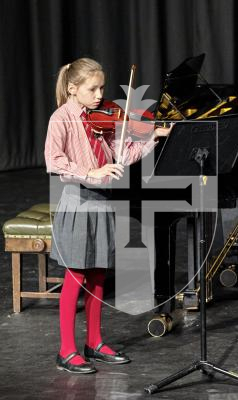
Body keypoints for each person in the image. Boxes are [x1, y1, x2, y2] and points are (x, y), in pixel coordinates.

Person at [44, 57, 172, 374]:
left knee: (99, 274)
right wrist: (91, 169)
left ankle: (95, 342)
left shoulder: (102, 119)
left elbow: (123, 155)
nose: (100, 94)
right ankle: (66, 350)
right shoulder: (61, 118)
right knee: (75, 278)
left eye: (102, 87)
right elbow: (53, 160)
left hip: (102, 201)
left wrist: (151, 138)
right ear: (73, 89)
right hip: (76, 202)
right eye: (93, 88)